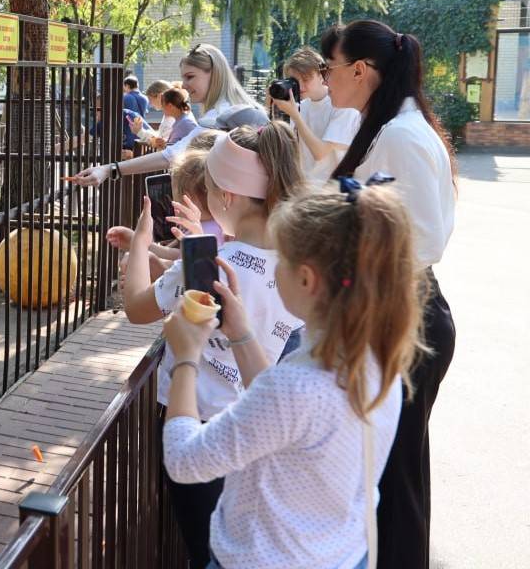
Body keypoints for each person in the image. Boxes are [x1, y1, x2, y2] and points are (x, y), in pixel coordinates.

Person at [162, 181, 425, 569]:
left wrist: (186, 357)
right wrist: (240, 333)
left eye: (280, 259)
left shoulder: (298, 387)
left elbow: (185, 461)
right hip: (339, 554)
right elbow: (285, 414)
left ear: (306, 279)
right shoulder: (372, 355)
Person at [123, 122, 306, 566]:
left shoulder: (207, 264)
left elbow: (137, 308)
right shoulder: (300, 262)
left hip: (198, 428)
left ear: (226, 197)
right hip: (260, 433)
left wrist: (141, 243)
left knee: (205, 545)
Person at [319, 19, 456, 569]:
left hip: (409, 314)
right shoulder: (389, 126)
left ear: (359, 69)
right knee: (390, 472)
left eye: (330, 69)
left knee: (396, 478)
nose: (326, 81)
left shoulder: (400, 134)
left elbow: (425, 237)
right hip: (398, 310)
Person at [66, 44, 264, 187]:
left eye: (190, 76)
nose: (184, 85)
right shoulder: (243, 109)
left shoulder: (218, 118)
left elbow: (170, 156)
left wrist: (109, 169)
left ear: (214, 74)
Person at [270, 47, 362, 181]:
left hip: (331, 192)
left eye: (306, 79)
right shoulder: (299, 107)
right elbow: (285, 152)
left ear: (322, 75)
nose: (300, 86)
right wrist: (274, 110)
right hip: (303, 188)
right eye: (294, 81)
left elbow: (322, 155)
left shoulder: (343, 106)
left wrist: (295, 116)